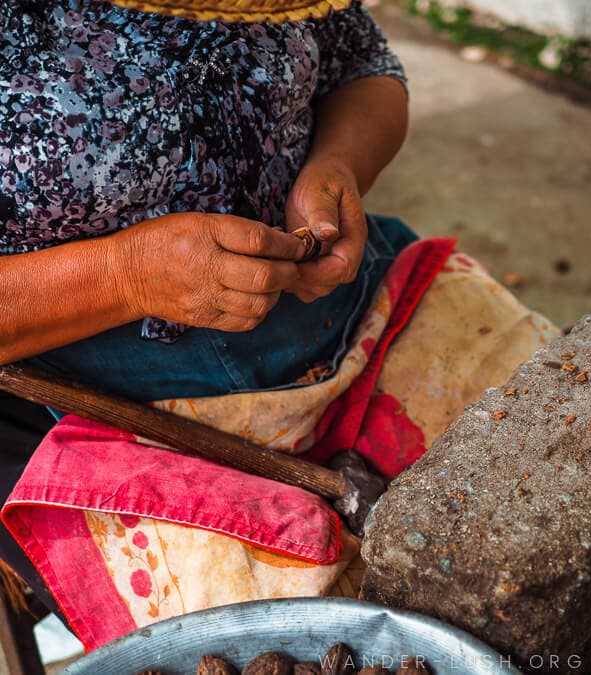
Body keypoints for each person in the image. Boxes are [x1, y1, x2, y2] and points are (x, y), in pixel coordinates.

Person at [0, 0, 413, 619]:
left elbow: (365, 65)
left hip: (348, 315)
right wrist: (125, 276)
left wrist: (337, 165)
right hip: (86, 403)